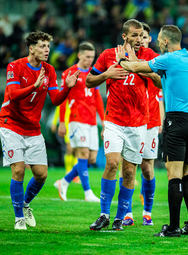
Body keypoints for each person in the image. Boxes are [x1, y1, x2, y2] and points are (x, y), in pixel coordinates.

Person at [115, 25, 188, 237]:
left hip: (176, 119)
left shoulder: (168, 59)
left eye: (159, 42)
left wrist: (122, 60)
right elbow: (161, 81)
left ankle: (172, 228)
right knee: (184, 173)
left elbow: (136, 68)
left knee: (173, 176)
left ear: (164, 42)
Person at [0, 31, 80, 230]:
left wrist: (67, 88)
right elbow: (12, 94)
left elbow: (55, 99)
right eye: (42, 46)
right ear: (31, 48)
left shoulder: (50, 70)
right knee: (18, 170)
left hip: (33, 127)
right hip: (11, 124)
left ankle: (25, 205)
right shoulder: (15, 66)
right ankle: (19, 218)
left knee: (41, 175)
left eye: (48, 47)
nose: (47, 50)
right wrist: (34, 86)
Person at [86, 19, 160, 231]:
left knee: (129, 172)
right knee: (112, 163)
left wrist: (135, 63)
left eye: (141, 35)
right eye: (134, 35)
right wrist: (107, 74)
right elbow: (89, 81)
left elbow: (159, 81)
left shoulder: (149, 56)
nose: (138, 39)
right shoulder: (108, 55)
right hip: (114, 121)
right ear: (124, 36)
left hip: (138, 124)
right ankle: (104, 214)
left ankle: (120, 217)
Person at [121, 22, 165, 227]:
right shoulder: (121, 55)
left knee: (147, 168)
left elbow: (160, 85)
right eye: (139, 36)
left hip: (151, 121)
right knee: (128, 167)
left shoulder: (155, 58)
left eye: (145, 37)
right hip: (130, 119)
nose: (142, 40)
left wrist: (136, 64)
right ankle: (127, 212)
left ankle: (147, 211)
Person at [53, 41, 104, 202]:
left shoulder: (92, 73)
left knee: (92, 158)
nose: (90, 60)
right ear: (79, 55)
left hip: (91, 120)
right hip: (76, 118)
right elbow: (63, 97)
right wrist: (62, 122)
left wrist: (104, 121)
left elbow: (97, 98)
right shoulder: (69, 72)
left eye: (92, 57)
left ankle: (64, 181)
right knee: (82, 154)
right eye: (87, 56)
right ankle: (88, 193)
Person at [51, 103, 80, 183]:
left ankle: (75, 175)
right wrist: (54, 122)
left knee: (77, 151)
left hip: (77, 124)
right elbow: (59, 108)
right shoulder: (66, 93)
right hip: (68, 125)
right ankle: (68, 171)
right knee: (69, 149)